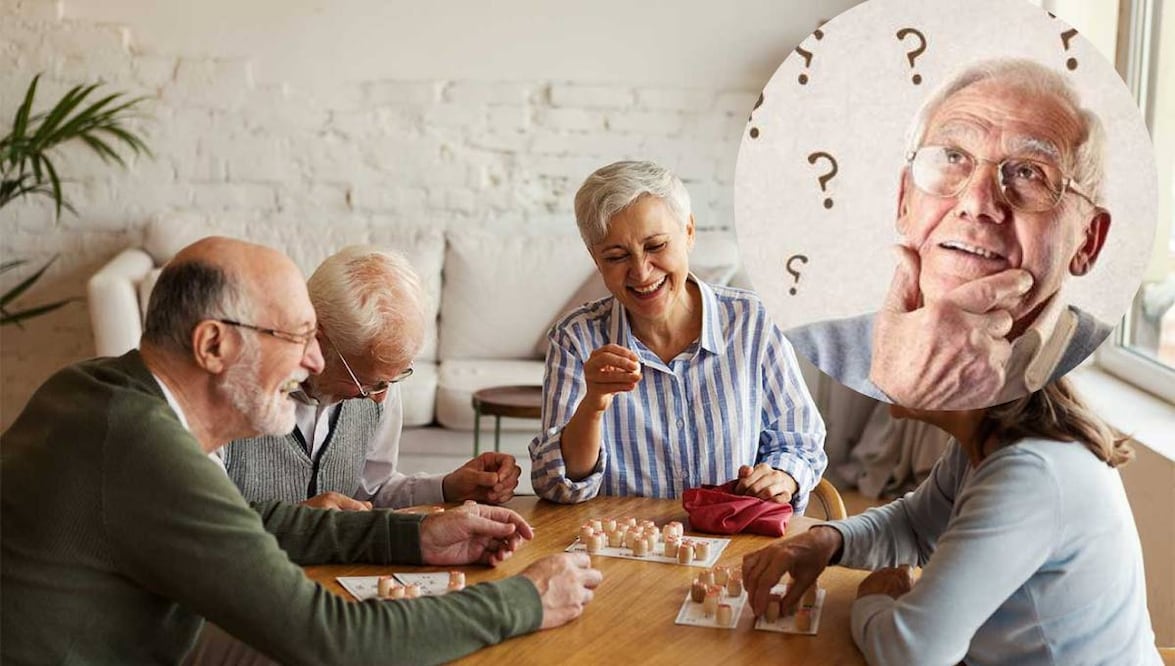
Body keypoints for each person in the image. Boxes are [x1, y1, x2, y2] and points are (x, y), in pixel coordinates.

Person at [1, 237, 601, 665]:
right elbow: (330, 638)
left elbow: (244, 520)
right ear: (213, 344)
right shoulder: (142, 445)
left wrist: (412, 536)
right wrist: (523, 599)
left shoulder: (98, 387)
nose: (311, 362)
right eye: (294, 338)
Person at [742, 378, 1160, 665]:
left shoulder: (1029, 474)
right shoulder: (986, 443)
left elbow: (913, 653)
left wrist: (873, 599)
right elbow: (914, 524)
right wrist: (827, 540)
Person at [787, 58, 1114, 410]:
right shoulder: (798, 354)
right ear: (904, 202)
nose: (977, 203)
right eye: (953, 156)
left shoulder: (1106, 387)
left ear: (1088, 240)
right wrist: (894, 390)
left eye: (1028, 172)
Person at [529, 160, 827, 510]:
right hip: (623, 553)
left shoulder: (753, 322)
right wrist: (593, 405)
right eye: (616, 255)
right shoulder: (575, 339)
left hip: (733, 544)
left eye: (655, 246)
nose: (641, 272)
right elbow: (555, 484)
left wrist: (781, 476)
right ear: (596, 259)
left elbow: (800, 442)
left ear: (688, 232)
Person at [221, 245, 520, 510]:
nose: (380, 397)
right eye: (367, 383)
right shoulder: (231, 391)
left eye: (394, 378)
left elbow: (372, 490)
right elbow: (202, 524)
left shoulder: (379, 379)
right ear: (317, 338)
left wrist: (448, 487)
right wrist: (302, 520)